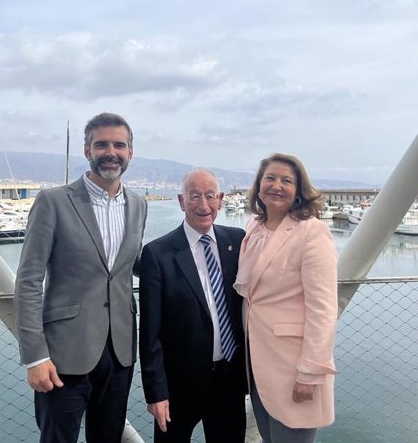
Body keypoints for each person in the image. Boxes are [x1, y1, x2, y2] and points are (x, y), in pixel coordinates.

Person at [14, 112, 147, 443]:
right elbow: (29, 281)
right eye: (101, 144)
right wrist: (35, 356)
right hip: (62, 355)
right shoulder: (54, 202)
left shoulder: (138, 205)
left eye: (119, 145)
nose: (111, 152)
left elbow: (131, 264)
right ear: (87, 151)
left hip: (120, 350)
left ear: (130, 152)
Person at [234, 153, 338, 443]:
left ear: (299, 190)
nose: (276, 185)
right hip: (256, 363)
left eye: (286, 180)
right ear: (258, 185)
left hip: (293, 368)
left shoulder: (312, 232)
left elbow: (323, 309)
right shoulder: (255, 226)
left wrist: (310, 372)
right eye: (270, 178)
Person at [139, 168, 247, 443]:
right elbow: (150, 333)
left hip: (228, 381)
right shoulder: (158, 253)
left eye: (210, 196)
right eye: (194, 196)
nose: (203, 205)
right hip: (178, 386)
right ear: (181, 201)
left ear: (221, 199)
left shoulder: (237, 241)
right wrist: (155, 392)